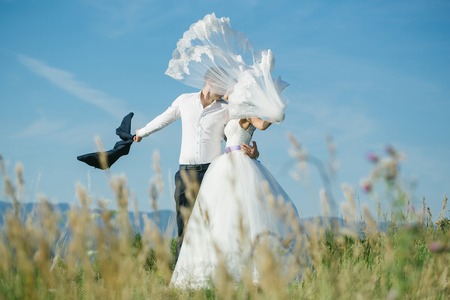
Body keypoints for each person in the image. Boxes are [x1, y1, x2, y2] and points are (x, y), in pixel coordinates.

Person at [133, 68, 259, 262]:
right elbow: (163, 119)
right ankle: (181, 275)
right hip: (185, 173)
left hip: (213, 173)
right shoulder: (185, 100)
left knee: (213, 225)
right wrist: (142, 133)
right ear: (209, 80)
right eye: (222, 83)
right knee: (184, 225)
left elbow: (236, 136)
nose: (225, 88)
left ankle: (212, 273)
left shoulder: (226, 108)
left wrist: (253, 152)